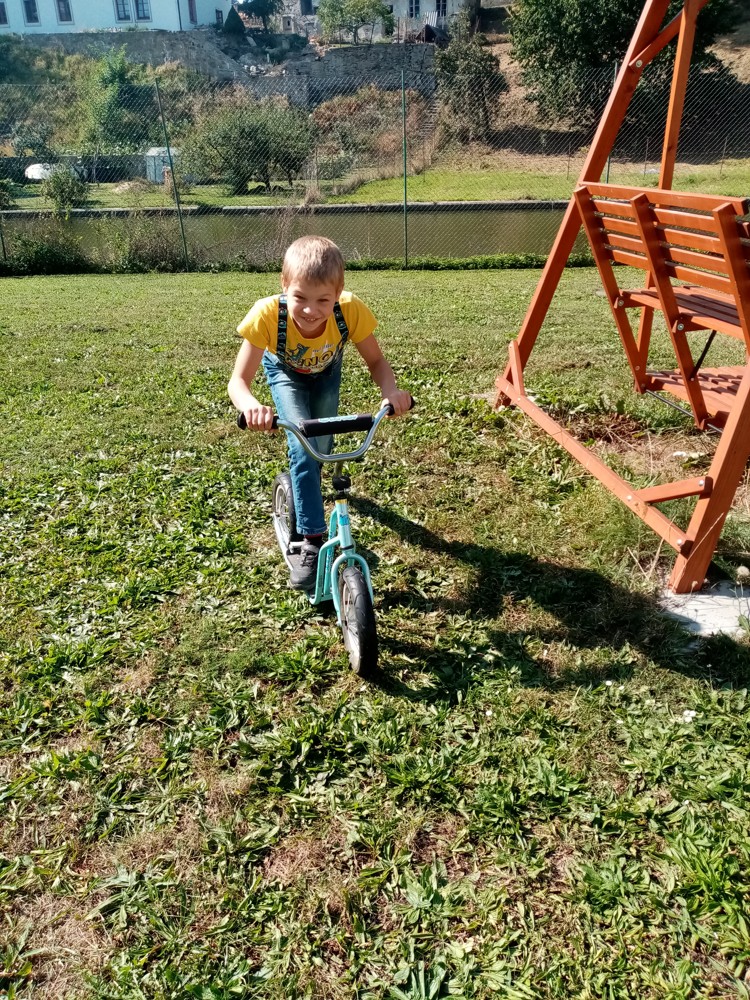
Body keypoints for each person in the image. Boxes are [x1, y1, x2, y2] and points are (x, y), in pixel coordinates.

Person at [228, 235, 412, 591]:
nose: (310, 310)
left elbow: (376, 360)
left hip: (327, 373)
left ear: (338, 294)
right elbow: (238, 381)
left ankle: (303, 484)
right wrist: (251, 407)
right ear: (284, 285)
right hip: (285, 373)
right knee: (303, 447)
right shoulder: (267, 315)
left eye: (323, 301)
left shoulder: (350, 310)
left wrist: (391, 392)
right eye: (300, 298)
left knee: (320, 453)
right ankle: (310, 541)